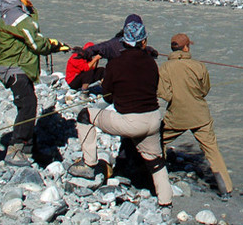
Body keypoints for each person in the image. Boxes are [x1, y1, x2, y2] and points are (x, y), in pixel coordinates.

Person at [68, 18, 173, 205]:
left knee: (85, 115)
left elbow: (108, 96)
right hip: (153, 120)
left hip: (128, 122)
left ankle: (89, 164)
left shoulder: (115, 64)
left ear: (124, 41)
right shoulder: (151, 63)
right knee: (156, 162)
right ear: (143, 41)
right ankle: (166, 203)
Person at [0, 0, 65, 166]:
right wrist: (54, 46)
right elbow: (36, 43)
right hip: (12, 66)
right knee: (28, 104)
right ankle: (15, 149)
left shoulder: (23, 8)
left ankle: (28, 148)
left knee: (28, 103)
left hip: (21, 65)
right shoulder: (17, 14)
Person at [158, 33, 233, 198]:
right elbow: (205, 90)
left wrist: (177, 98)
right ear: (186, 48)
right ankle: (226, 190)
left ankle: (159, 177)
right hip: (200, 116)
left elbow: (163, 93)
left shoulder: (164, 67)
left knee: (159, 140)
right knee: (212, 150)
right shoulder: (199, 66)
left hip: (176, 116)